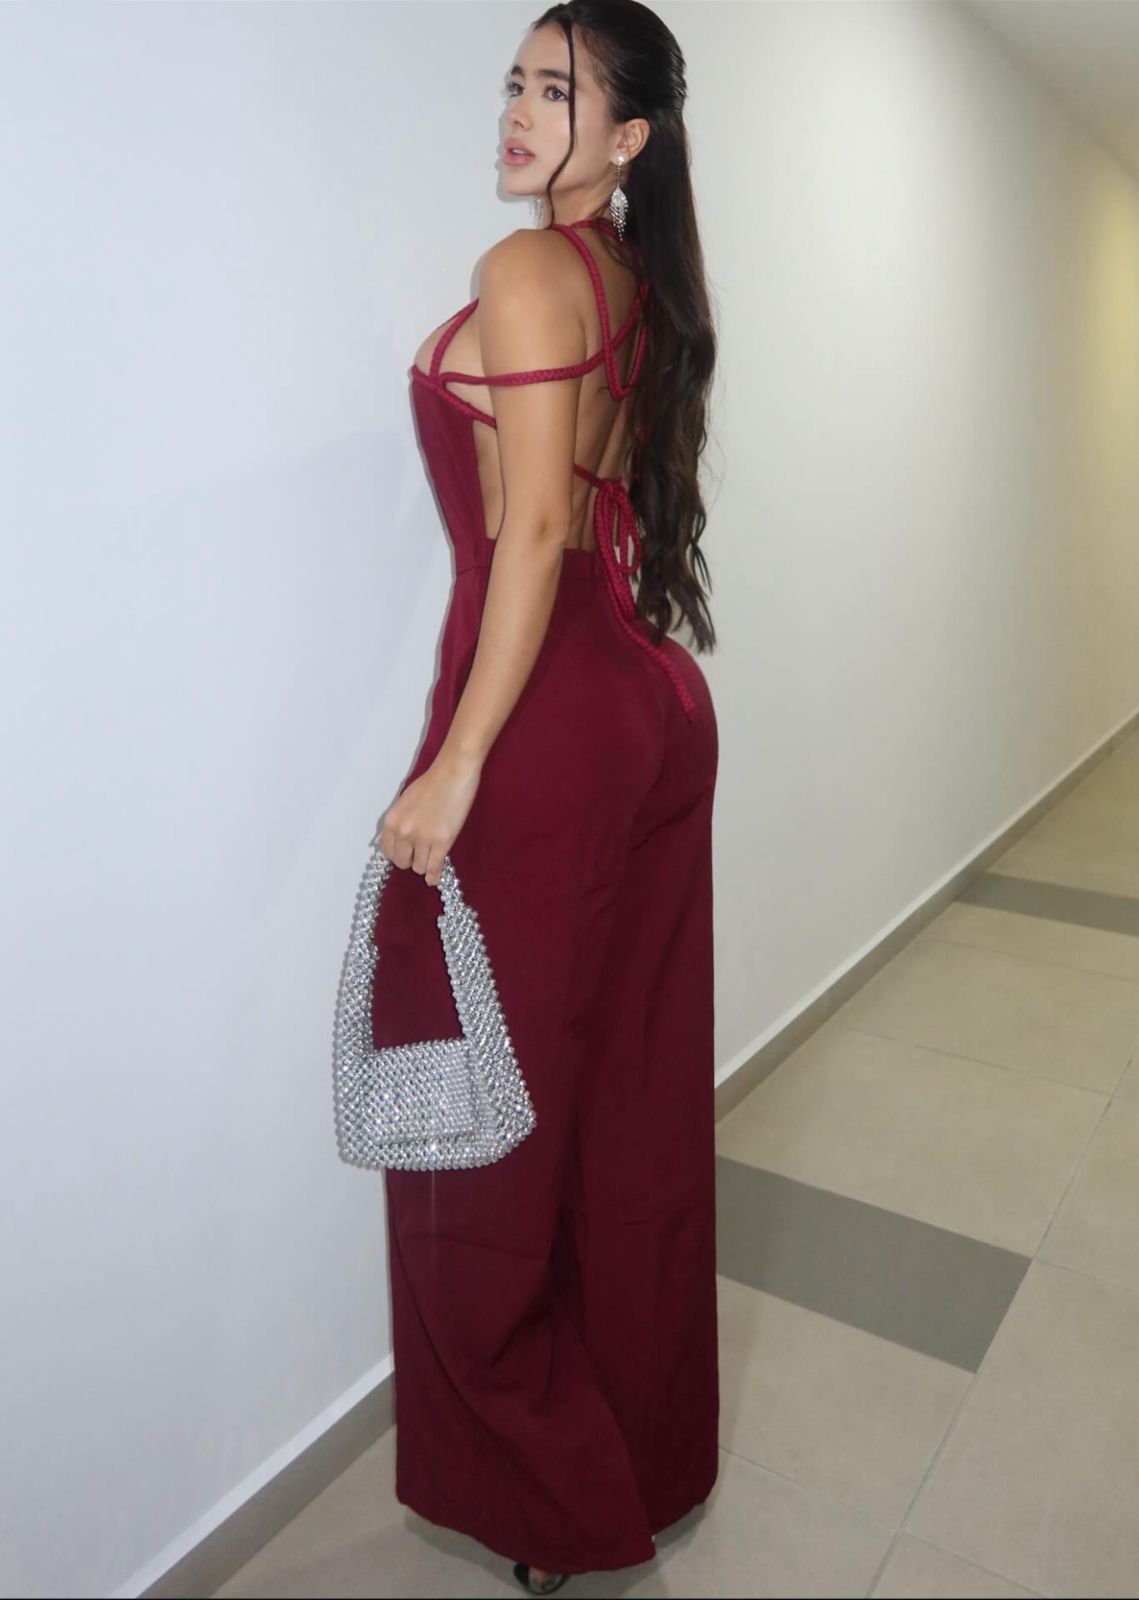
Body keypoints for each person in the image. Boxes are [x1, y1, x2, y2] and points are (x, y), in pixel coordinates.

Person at [371, 2, 719, 1591]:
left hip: (547, 723)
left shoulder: (528, 271)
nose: (518, 107)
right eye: (515, 79)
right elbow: (583, 513)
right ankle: (637, 1453)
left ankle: (552, 1498)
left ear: (626, 137)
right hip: (641, 705)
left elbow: (530, 535)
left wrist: (456, 763)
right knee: (620, 1108)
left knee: (481, 1133)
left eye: (558, 89)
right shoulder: (632, 279)